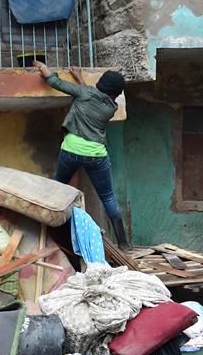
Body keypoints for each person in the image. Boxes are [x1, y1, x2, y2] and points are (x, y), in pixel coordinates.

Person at [34, 61, 131, 250]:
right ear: (115, 93)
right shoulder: (111, 108)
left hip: (71, 151)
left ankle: (45, 231)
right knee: (108, 197)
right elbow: (91, 95)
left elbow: (55, 82)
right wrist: (80, 77)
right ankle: (124, 243)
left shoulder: (84, 93)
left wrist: (42, 66)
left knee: (57, 188)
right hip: (96, 155)